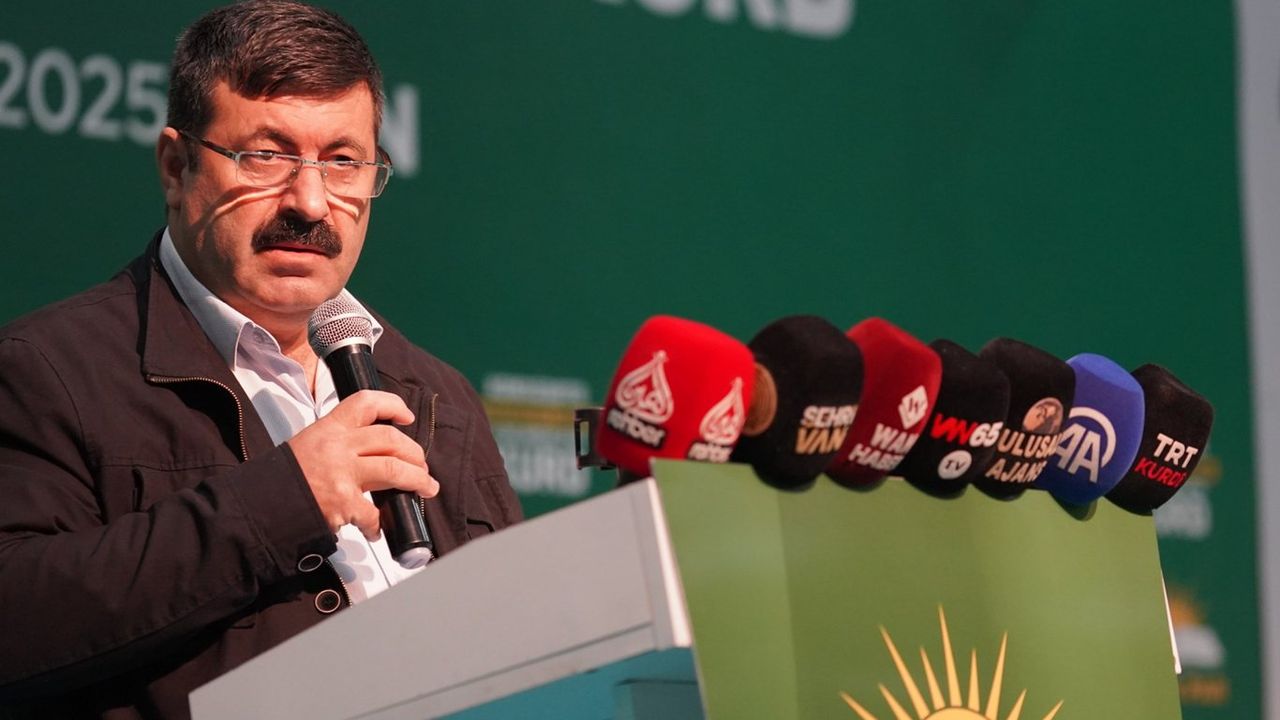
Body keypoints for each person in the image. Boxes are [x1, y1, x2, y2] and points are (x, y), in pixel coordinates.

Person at [0, 2, 522, 717]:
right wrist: (286, 500)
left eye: (343, 162)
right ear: (176, 167)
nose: (310, 202)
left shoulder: (439, 397)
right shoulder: (48, 370)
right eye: (267, 156)